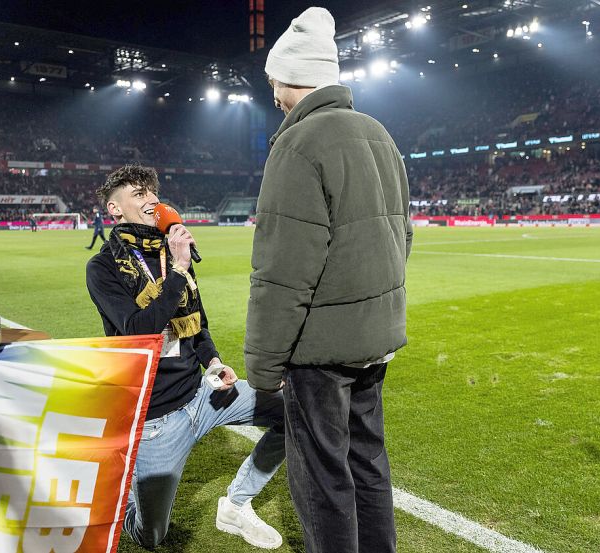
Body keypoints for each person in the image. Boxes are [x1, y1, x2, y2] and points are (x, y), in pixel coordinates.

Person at [244, 8, 413, 553]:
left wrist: (265, 365)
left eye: (272, 75)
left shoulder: (298, 145)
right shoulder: (378, 134)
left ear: (290, 75)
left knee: (322, 478)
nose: (269, 85)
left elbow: (282, 272)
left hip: (320, 351)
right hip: (374, 338)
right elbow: (402, 236)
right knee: (368, 465)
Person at [86, 164, 285, 550]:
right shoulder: (104, 267)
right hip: (156, 417)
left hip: (202, 395)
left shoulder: (170, 253)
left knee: (293, 412)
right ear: (115, 209)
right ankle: (122, 491)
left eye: (153, 192)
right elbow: (138, 331)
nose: (152, 199)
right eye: (139, 194)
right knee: (151, 535)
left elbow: (198, 325)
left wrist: (213, 362)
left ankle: (236, 505)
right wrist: (177, 269)